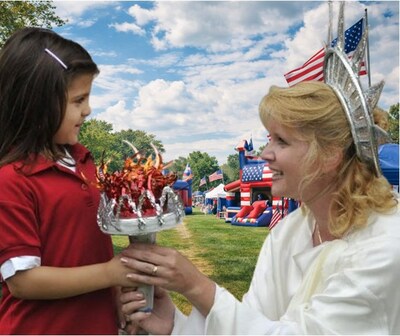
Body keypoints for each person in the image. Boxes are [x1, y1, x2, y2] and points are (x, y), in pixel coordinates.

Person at [120, 80, 400, 334]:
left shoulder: (385, 246)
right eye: (269, 140)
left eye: (281, 141)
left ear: (329, 156)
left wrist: (197, 287)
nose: (265, 154)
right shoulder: (292, 230)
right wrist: (175, 325)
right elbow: (255, 320)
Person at [0, 27, 136, 334]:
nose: (88, 110)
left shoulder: (84, 163)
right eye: (78, 100)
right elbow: (23, 281)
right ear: (37, 103)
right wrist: (111, 274)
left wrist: (114, 293)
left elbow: (90, 247)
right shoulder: (12, 179)